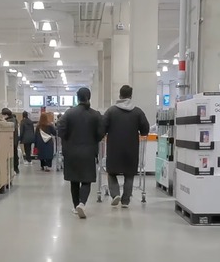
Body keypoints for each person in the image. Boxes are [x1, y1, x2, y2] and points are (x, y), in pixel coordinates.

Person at [57, 87, 104, 219]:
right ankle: (82, 203)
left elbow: (60, 129)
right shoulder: (96, 115)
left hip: (71, 151)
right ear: (89, 97)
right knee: (86, 179)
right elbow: (101, 133)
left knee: (74, 180)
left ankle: (75, 205)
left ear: (77, 98)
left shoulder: (69, 113)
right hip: (89, 151)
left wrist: (67, 139)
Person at [102, 85, 150, 208]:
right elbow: (145, 129)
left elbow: (102, 128)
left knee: (111, 172)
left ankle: (115, 194)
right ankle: (125, 201)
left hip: (114, 148)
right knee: (129, 174)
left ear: (120, 95)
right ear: (131, 96)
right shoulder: (137, 112)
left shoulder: (111, 111)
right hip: (131, 148)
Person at [1, 108, 20, 174]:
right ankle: (15, 168)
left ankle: (15, 168)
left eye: (3, 115)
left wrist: (3, 122)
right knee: (14, 154)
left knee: (14, 154)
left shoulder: (11, 121)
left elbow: (11, 128)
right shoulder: (13, 120)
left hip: (12, 141)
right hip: (14, 141)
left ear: (6, 115)